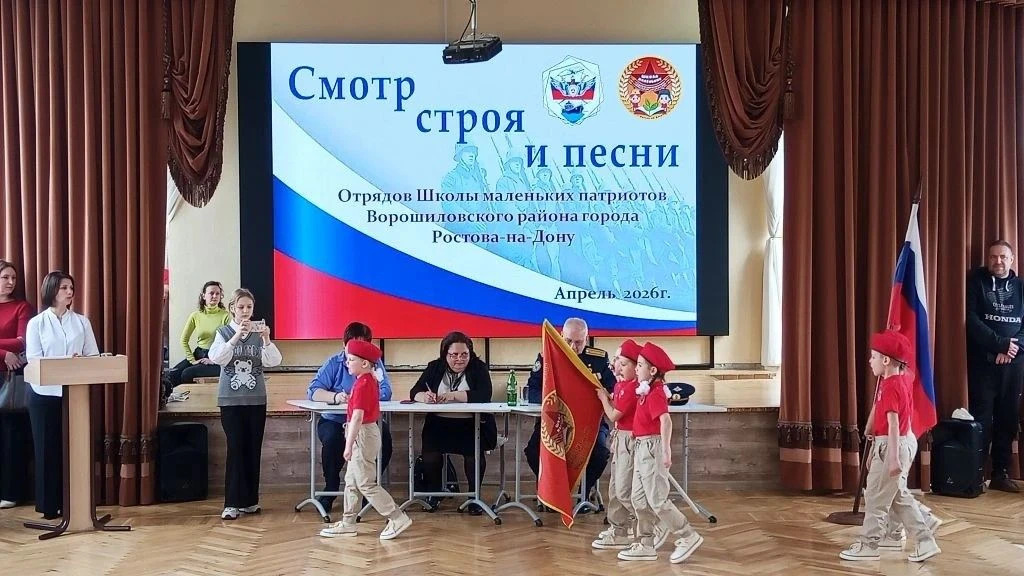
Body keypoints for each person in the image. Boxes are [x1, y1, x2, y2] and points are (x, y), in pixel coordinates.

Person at [840, 330, 940, 562]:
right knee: (894, 494)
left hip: (893, 445)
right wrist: (874, 443)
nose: (870, 361)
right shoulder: (899, 380)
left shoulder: (891, 386)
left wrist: (892, 457)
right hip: (896, 442)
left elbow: (893, 424)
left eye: (874, 356)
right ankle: (919, 526)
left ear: (886, 361)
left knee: (875, 497)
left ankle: (870, 545)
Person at [318, 339, 412, 540]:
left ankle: (397, 517)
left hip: (363, 435)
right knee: (351, 481)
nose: (347, 363)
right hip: (363, 434)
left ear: (365, 363)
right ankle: (348, 522)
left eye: (351, 359)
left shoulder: (363, 384)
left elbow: (357, 417)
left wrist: (348, 445)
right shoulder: (367, 380)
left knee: (366, 483)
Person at [618, 342, 702, 564]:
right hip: (641, 447)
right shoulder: (645, 391)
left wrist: (665, 450)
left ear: (653, 370)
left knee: (657, 499)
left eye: (640, 365)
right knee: (638, 498)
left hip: (651, 448)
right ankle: (646, 543)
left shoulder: (655, 393)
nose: (636, 368)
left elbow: (665, 421)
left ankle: (687, 535)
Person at [25, 271, 99, 520]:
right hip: (44, 394)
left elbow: (93, 355)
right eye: (64, 287)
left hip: (75, 394)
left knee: (75, 449)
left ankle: (76, 505)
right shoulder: (37, 323)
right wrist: (66, 360)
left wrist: (80, 361)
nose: (69, 292)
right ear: (51, 290)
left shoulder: (81, 322)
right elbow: (34, 359)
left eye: (71, 287)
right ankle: (49, 506)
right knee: (47, 449)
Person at [208, 288, 282, 520]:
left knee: (252, 448)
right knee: (236, 447)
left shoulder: (258, 334)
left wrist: (266, 339)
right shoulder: (223, 332)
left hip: (256, 400)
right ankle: (231, 503)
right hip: (230, 401)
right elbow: (216, 358)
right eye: (241, 307)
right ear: (232, 308)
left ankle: (250, 501)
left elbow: (274, 361)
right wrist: (235, 337)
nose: (245, 311)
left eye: (249, 307)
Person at [307, 321, 393, 513]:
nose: (357, 350)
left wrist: (362, 396)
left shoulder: (374, 364)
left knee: (385, 440)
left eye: (363, 345)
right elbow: (313, 391)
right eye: (353, 345)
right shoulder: (334, 363)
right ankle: (330, 488)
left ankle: (368, 488)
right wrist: (336, 397)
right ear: (344, 345)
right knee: (332, 440)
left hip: (367, 422)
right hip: (335, 420)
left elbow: (386, 391)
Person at [525, 317, 615, 500]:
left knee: (600, 453)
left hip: (590, 423)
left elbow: (613, 389)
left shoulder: (598, 359)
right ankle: (553, 491)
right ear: (560, 336)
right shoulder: (548, 356)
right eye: (568, 341)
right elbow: (531, 391)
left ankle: (584, 493)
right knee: (533, 451)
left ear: (587, 339)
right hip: (555, 420)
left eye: (579, 342)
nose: (573, 347)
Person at [593, 339, 669, 552]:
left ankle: (652, 525)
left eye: (624, 363)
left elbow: (614, 414)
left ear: (637, 367)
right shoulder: (621, 385)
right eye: (616, 360)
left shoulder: (634, 388)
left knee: (625, 490)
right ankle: (619, 529)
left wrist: (602, 398)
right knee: (615, 489)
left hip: (630, 440)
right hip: (620, 438)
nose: (617, 365)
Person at [409, 331, 497, 512]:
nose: (459, 359)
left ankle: (474, 497)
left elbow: (484, 395)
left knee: (474, 455)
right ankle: (434, 493)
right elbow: (414, 391)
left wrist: (454, 395)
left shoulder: (478, 368)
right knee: (430, 455)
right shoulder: (435, 367)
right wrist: (424, 397)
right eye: (454, 355)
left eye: (464, 354)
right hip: (439, 424)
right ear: (445, 354)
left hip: (471, 425)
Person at [966, 240, 1024, 492]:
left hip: (1014, 364)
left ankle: (1001, 473)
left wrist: (1013, 349)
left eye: (1002, 257)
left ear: (1011, 260)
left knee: (1008, 418)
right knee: (982, 418)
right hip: (984, 363)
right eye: (993, 257)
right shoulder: (976, 281)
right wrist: (1000, 345)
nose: (997, 261)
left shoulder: (1020, 287)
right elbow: (971, 319)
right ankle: (975, 475)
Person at [0, 260, 32, 509]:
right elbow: (10, 346)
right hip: (4, 364)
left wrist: (10, 352)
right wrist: (3, 353)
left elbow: (22, 342)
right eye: (5, 277)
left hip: (10, 380)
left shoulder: (22, 306)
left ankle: (12, 492)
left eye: (13, 278)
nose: (11, 282)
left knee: (12, 436)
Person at [164, 281, 231, 394]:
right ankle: (166, 400)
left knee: (187, 373)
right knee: (171, 375)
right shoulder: (196, 315)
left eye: (217, 294)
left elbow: (230, 343)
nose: (215, 296)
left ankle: (190, 399)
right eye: (211, 293)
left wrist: (214, 360)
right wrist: (192, 360)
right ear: (204, 296)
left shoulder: (226, 316)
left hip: (216, 359)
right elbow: (184, 340)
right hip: (199, 354)